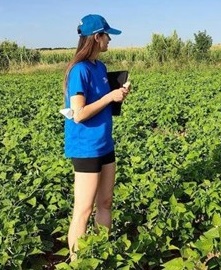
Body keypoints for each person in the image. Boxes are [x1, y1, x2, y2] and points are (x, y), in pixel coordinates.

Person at [62, 14, 131, 259]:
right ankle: (77, 261)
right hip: (85, 147)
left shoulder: (100, 67)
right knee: (83, 209)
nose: (110, 39)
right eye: (107, 35)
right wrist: (108, 98)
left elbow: (103, 104)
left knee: (105, 203)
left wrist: (118, 95)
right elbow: (79, 114)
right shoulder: (79, 71)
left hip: (105, 144)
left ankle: (101, 253)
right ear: (96, 37)